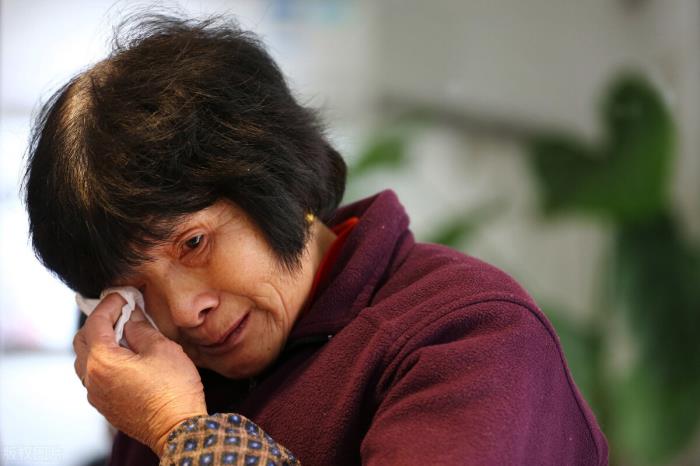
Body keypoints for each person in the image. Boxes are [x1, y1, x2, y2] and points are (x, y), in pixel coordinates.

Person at [23, 14, 608, 466]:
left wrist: (183, 433)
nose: (182, 311)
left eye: (194, 244)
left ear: (276, 180)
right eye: (135, 288)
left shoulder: (465, 334)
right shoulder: (170, 374)